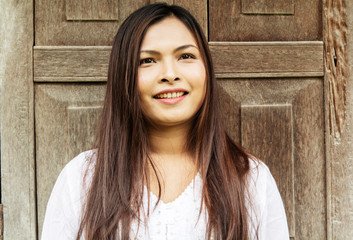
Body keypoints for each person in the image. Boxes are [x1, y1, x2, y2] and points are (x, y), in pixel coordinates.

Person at [41, 3, 289, 240]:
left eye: (186, 56)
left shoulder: (250, 179)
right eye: (147, 60)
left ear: (207, 70)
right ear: (123, 75)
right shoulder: (82, 179)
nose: (170, 74)